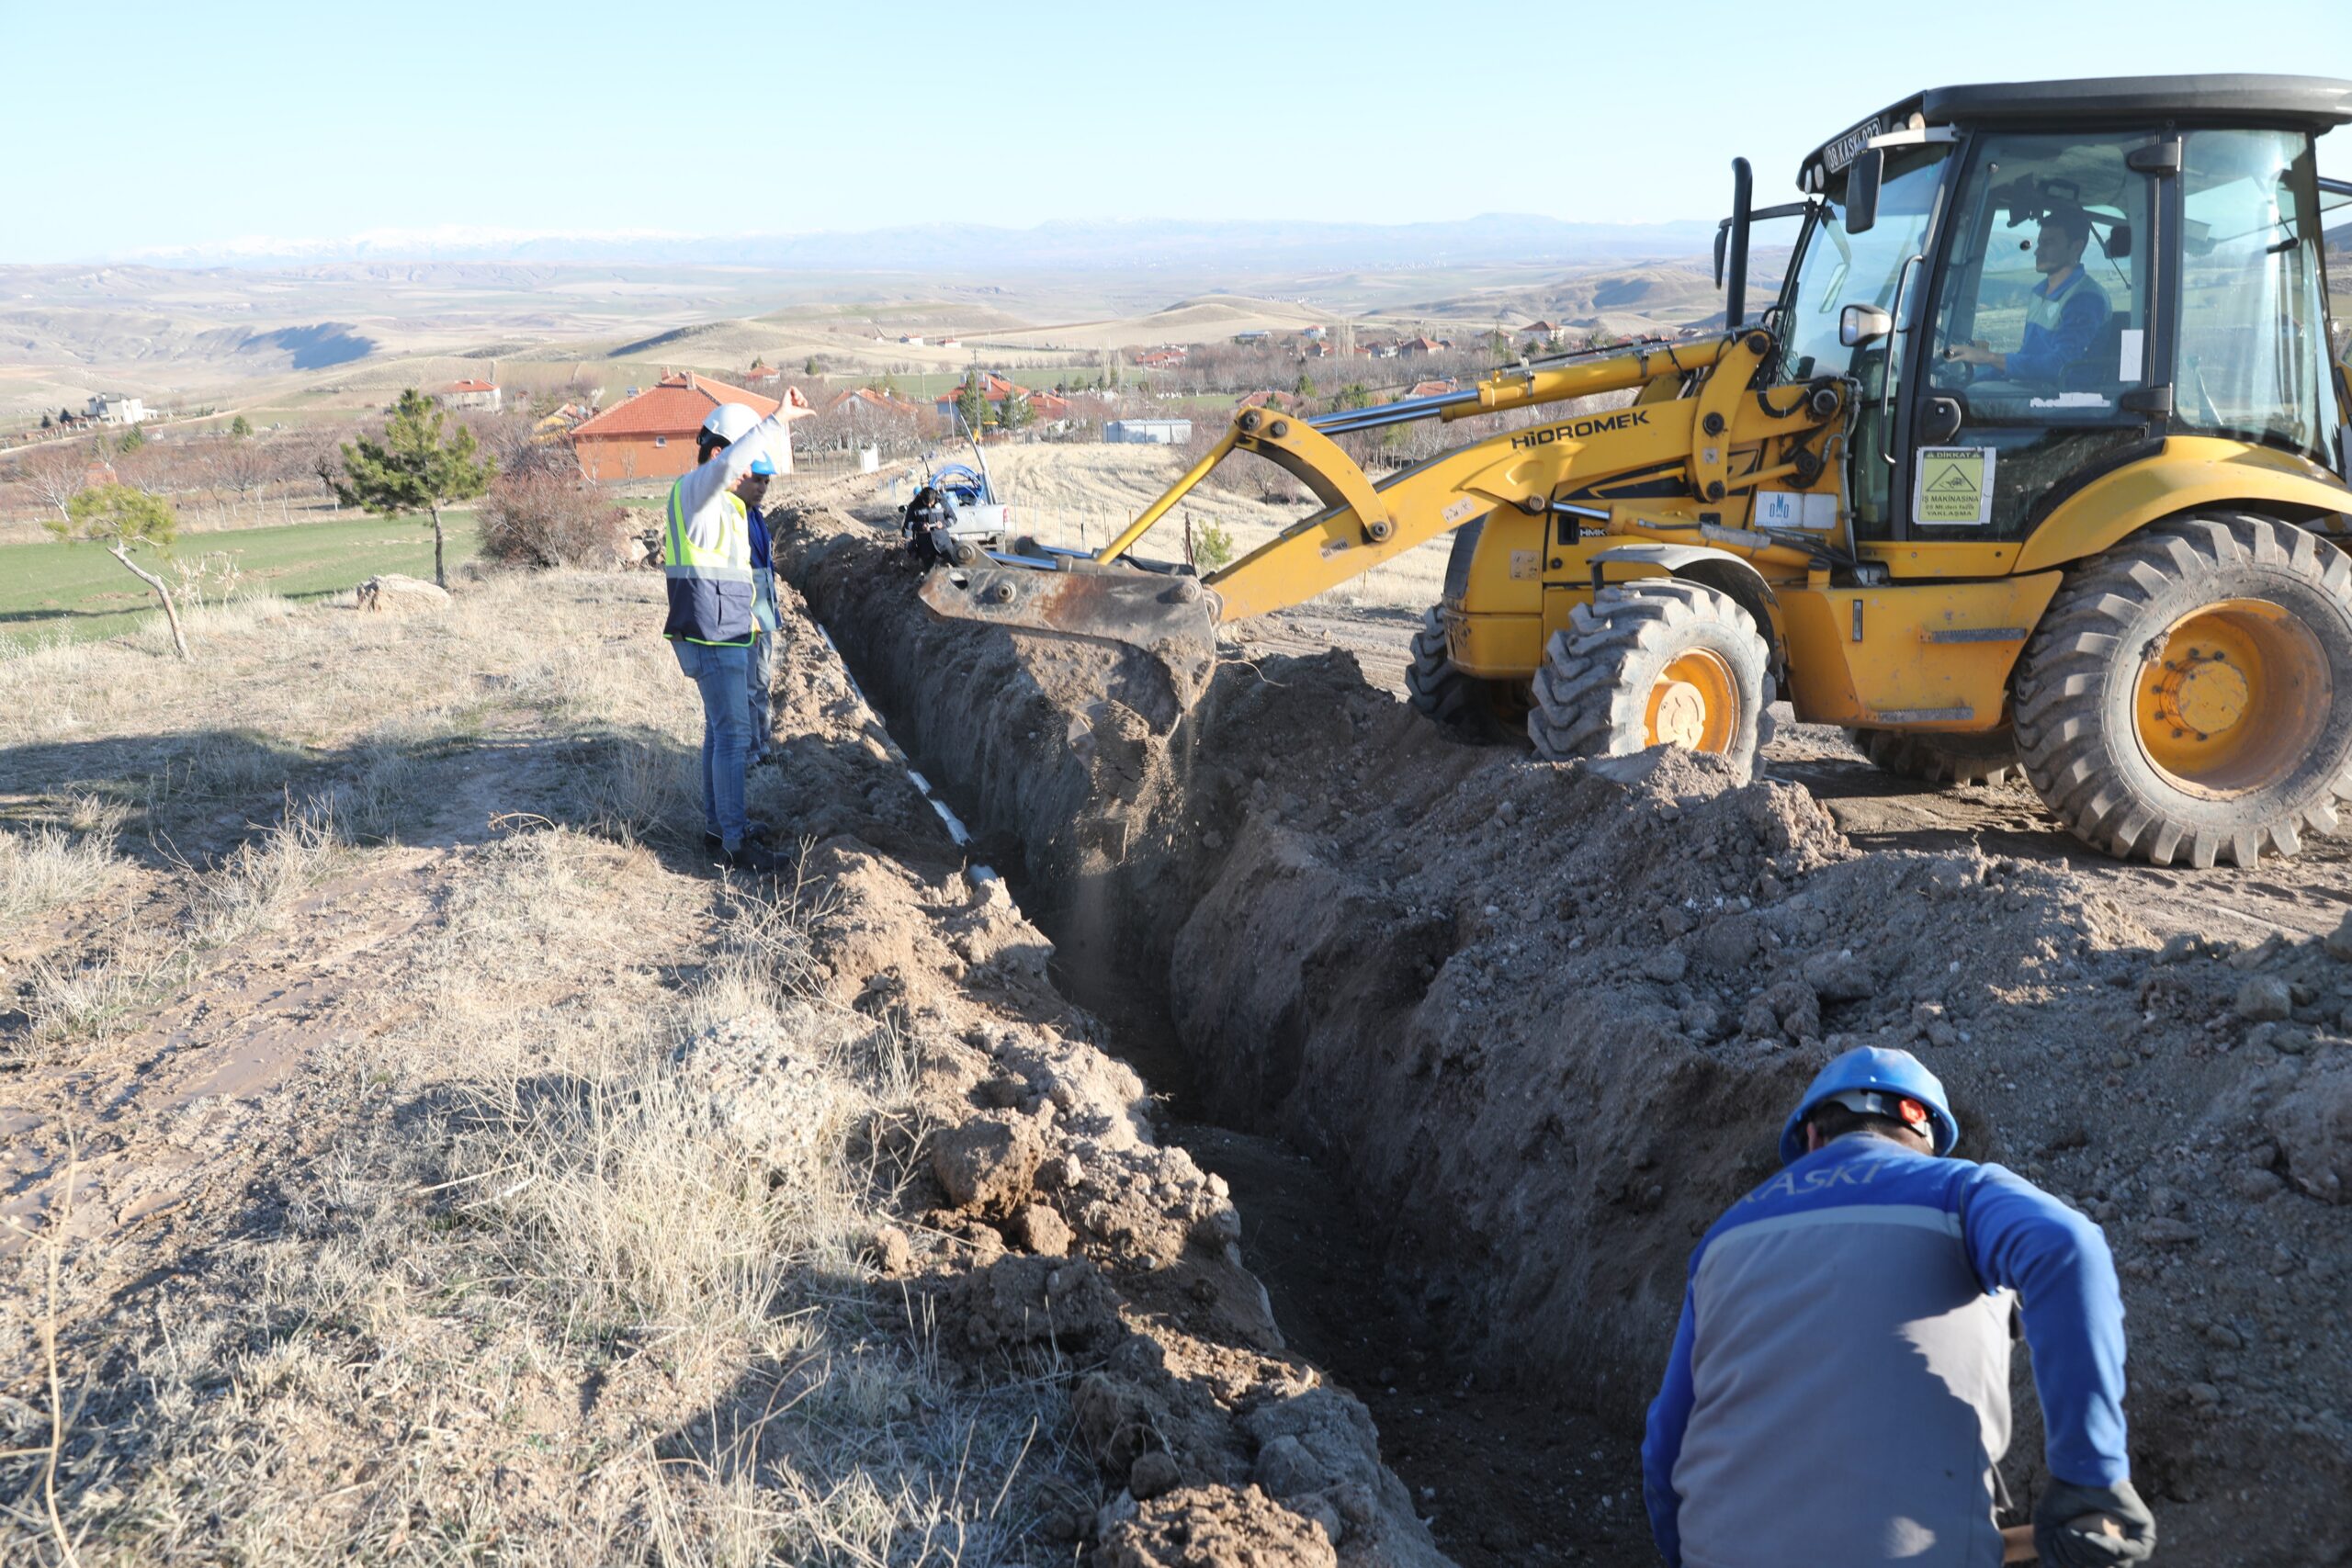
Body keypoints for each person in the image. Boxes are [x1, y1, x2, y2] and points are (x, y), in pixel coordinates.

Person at [1642, 1046, 2154, 1568]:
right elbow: (2066, 1247)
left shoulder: (1723, 1237)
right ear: (1924, 1134)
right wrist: (2091, 1477)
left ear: (1813, 1137)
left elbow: (1665, 1448)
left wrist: (1682, 1552)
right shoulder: (1957, 1191)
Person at [662, 401, 787, 874]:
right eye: (742, 467)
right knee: (734, 736)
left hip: (722, 632)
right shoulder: (697, 491)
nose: (749, 478)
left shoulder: (721, 507)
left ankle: (721, 828)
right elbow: (730, 465)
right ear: (718, 453)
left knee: (719, 733)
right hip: (711, 638)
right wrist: (777, 421)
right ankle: (734, 843)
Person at [1947, 207, 2112, 393]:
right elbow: (2029, 357)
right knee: (1958, 389)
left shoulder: (2085, 299)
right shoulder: (2039, 293)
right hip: (2031, 386)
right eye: (2039, 243)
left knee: (1971, 399)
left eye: (2048, 244)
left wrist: (1990, 358)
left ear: (2076, 247)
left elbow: (2062, 366)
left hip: (2063, 398)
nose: (2038, 252)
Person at [745, 491, 779, 769]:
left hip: (764, 597)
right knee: (749, 679)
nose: (762, 487)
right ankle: (751, 750)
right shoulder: (736, 517)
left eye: (766, 481)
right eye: (757, 480)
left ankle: (763, 743)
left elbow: (766, 557)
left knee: (762, 675)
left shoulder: (757, 516)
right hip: (746, 603)